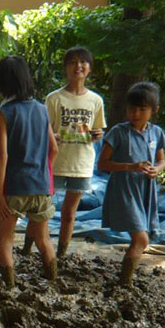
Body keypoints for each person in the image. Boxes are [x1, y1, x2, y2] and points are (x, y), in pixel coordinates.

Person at [29, 46, 105, 258]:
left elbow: (98, 129)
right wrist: (52, 136)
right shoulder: (54, 99)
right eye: (72, 62)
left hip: (82, 163)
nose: (78, 66)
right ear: (65, 68)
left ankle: (61, 254)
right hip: (55, 162)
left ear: (89, 68)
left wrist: (97, 134)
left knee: (70, 214)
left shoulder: (96, 100)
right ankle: (28, 248)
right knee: (40, 210)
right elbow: (43, 131)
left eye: (83, 62)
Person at [0, 55, 58, 288]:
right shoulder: (41, 109)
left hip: (14, 187)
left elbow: (3, 156)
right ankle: (51, 280)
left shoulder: (4, 112)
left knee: (5, 239)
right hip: (41, 186)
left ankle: (9, 286)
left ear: (2, 84)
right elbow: (53, 149)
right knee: (43, 238)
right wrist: (46, 177)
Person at [97, 82, 165, 286]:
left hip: (145, 189)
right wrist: (130, 167)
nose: (135, 113)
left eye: (141, 109)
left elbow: (162, 160)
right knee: (141, 240)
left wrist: (157, 169)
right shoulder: (118, 132)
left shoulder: (156, 133)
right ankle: (124, 283)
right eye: (131, 108)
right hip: (123, 189)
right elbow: (102, 164)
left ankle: (124, 280)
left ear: (154, 110)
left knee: (141, 238)